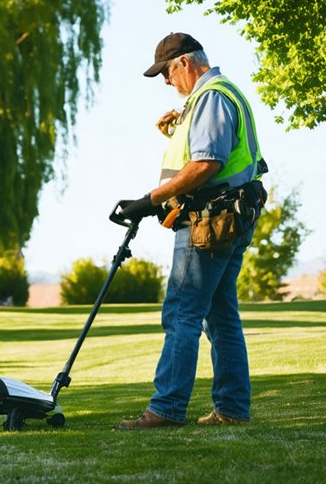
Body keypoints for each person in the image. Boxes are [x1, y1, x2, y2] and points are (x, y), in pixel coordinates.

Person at [115, 32, 266, 429]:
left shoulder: (211, 96)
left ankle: (165, 409)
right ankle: (232, 408)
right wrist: (174, 134)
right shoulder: (219, 94)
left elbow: (205, 165)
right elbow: (210, 155)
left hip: (210, 220)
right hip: (231, 215)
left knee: (182, 312)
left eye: (166, 72)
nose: (166, 82)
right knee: (220, 315)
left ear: (184, 62)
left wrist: (149, 200)